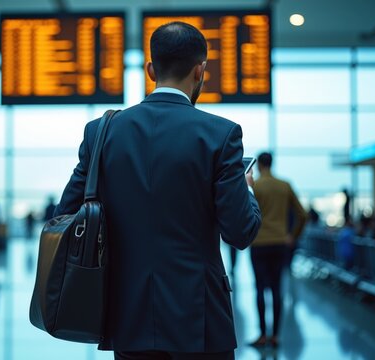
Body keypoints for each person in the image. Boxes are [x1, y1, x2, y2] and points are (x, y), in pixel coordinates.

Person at [54, 22, 261, 360]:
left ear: (150, 69)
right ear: (200, 71)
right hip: (201, 320)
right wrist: (247, 190)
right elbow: (240, 232)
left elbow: (64, 216)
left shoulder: (101, 133)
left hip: (126, 315)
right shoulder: (220, 135)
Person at [249, 152, 307, 348]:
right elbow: (302, 214)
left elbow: (246, 212)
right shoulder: (284, 185)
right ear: (272, 164)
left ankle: (262, 334)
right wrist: (293, 235)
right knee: (276, 288)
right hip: (280, 243)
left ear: (259, 166)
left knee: (259, 288)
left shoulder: (255, 186)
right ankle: (276, 336)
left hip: (258, 243)